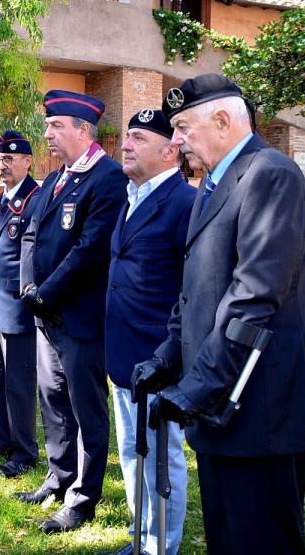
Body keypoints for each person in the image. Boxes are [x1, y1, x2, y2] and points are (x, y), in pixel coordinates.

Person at [134, 74, 305, 555]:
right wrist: (166, 358)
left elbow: (254, 299)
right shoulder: (214, 184)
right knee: (226, 536)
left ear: (221, 120)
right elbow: (195, 291)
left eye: (181, 127)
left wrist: (196, 388)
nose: (175, 141)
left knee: (261, 540)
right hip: (221, 404)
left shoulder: (270, 175)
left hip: (258, 408)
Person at [19, 89, 127, 533]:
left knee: (86, 410)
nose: (47, 134)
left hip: (79, 317)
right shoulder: (54, 178)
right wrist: (28, 286)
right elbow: (30, 234)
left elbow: (89, 251)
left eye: (55, 126)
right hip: (46, 314)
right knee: (53, 401)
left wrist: (46, 294)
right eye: (47, 126)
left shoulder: (108, 178)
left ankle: (83, 498)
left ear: (84, 130)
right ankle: (59, 475)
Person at [104, 108, 195, 555]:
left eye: (138, 138)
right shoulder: (131, 195)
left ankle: (162, 546)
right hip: (124, 356)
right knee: (130, 453)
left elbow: (191, 288)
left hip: (158, 358)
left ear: (169, 149)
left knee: (161, 460)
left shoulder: (183, 203)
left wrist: (169, 354)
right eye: (127, 137)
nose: (126, 144)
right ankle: (142, 536)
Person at [0, 131, 41, 479]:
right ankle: (0, 438)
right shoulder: (1, 199)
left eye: (10, 159)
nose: (3, 166)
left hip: (17, 308)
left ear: (27, 162)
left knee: (18, 385)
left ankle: (24, 452)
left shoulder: (35, 198)